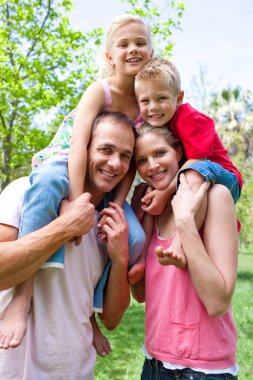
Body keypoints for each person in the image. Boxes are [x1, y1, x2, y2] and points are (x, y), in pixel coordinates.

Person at [0, 14, 154, 354]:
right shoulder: (100, 91)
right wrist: (75, 199)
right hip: (63, 160)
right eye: (124, 44)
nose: (133, 49)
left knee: (136, 237)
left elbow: (127, 168)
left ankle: (91, 316)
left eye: (141, 43)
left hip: (101, 181)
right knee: (45, 190)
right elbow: (79, 143)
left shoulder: (144, 105)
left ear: (151, 52)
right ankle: (22, 297)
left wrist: (115, 204)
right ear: (110, 56)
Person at [0, 112, 134, 379]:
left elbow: (111, 319)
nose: (115, 163)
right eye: (105, 149)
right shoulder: (25, 192)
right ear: (83, 149)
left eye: (126, 155)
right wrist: (64, 227)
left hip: (75, 370)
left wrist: (120, 260)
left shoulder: (110, 224)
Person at [131, 124, 239, 379]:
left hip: (203, 370)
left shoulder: (216, 197)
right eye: (142, 160)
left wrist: (186, 225)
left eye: (160, 153)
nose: (152, 166)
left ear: (178, 153)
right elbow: (141, 294)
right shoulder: (152, 209)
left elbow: (217, 303)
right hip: (154, 363)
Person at [133, 57, 242, 264]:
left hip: (226, 178)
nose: (153, 107)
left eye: (161, 98)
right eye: (145, 101)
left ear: (179, 98)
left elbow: (197, 161)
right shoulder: (162, 125)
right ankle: (141, 260)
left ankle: (181, 244)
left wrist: (165, 194)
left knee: (192, 172)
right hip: (200, 176)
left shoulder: (189, 118)